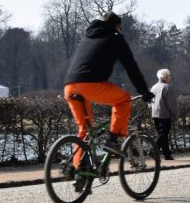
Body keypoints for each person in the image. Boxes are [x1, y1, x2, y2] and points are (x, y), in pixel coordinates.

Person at [63, 12, 154, 171]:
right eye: (120, 28)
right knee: (123, 99)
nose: (121, 31)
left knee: (85, 129)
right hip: (91, 84)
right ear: (117, 26)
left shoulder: (87, 38)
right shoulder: (115, 37)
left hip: (69, 86)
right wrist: (144, 91)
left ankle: (77, 169)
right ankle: (112, 141)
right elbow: (131, 67)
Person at [150, 68, 179, 160]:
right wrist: (175, 115)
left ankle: (167, 154)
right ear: (166, 77)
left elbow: (149, 102)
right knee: (163, 134)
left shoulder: (153, 87)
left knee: (162, 135)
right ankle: (153, 150)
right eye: (169, 76)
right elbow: (172, 104)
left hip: (155, 114)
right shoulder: (167, 87)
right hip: (164, 114)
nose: (170, 78)